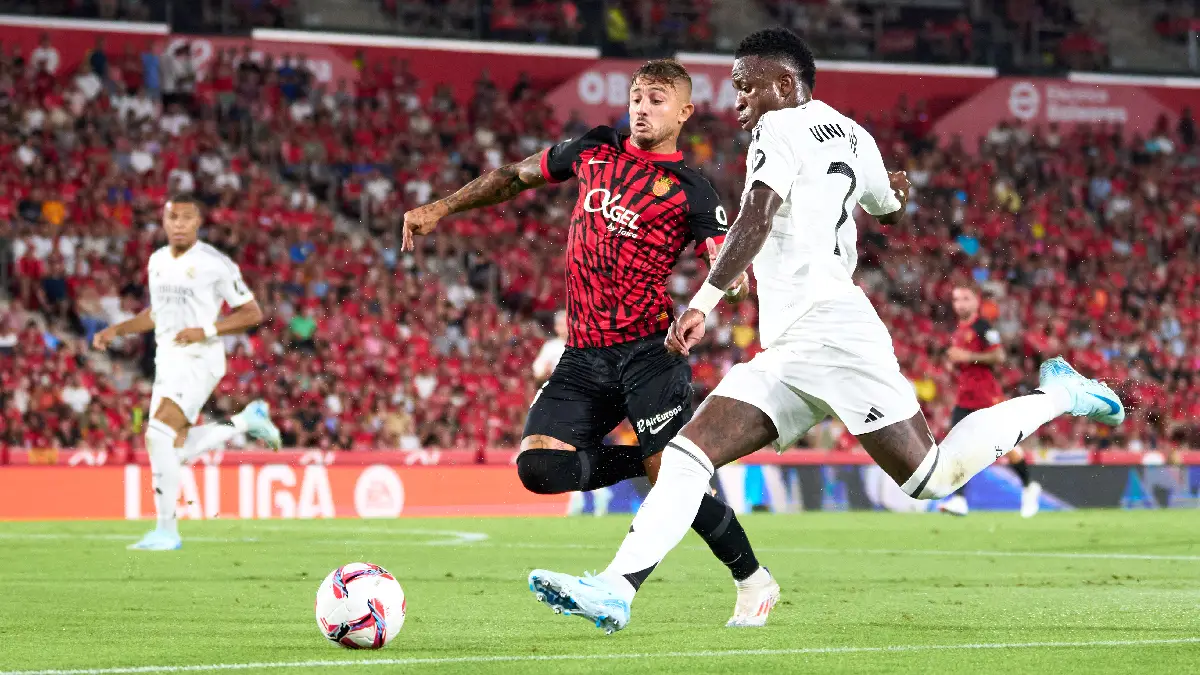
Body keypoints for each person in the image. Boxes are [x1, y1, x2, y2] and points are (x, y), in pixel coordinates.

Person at [525, 28, 1125, 634]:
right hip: (789, 347)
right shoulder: (854, 132)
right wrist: (896, 192)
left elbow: (757, 215)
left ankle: (1059, 395)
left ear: (784, 85)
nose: (737, 100)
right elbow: (889, 205)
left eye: (746, 86)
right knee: (686, 454)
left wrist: (704, 300)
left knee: (931, 477)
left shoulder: (777, 128)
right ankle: (615, 591)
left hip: (835, 334)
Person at [403, 59, 779, 627]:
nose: (642, 107)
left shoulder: (692, 190)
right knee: (539, 470)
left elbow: (727, 258)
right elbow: (513, 176)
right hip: (583, 354)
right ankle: (666, 470)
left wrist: (711, 299)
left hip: (651, 355)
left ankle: (749, 581)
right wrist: (442, 207)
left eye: (656, 99)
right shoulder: (594, 150)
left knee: (667, 477)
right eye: (636, 96)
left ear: (684, 112)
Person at [93, 194, 282, 551]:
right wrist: (117, 330)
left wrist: (206, 330)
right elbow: (155, 314)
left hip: (199, 358)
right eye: (172, 218)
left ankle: (167, 532)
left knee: (157, 434)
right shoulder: (157, 261)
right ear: (164, 223)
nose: (179, 224)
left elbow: (252, 312)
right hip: (167, 361)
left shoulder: (215, 263)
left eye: (186, 218)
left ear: (198, 223)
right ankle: (246, 421)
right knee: (170, 449)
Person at [939, 285, 1040, 518]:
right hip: (965, 397)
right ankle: (959, 499)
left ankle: (1028, 486)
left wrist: (969, 357)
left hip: (986, 396)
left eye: (965, 298)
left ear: (976, 301)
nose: (960, 304)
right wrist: (954, 363)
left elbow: (998, 356)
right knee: (955, 447)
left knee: (1007, 446)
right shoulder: (959, 330)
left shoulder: (983, 327)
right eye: (956, 300)